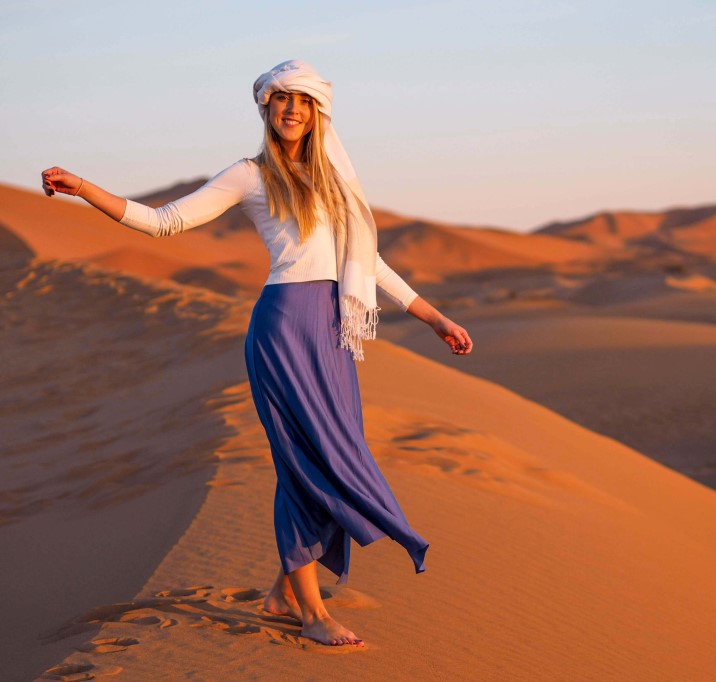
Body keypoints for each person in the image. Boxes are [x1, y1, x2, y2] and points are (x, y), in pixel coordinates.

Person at [41, 60, 473, 648]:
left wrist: (433, 317)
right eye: (281, 100)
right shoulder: (249, 175)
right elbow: (164, 222)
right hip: (284, 329)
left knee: (336, 457)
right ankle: (312, 614)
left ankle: (281, 591)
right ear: (266, 109)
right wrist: (85, 189)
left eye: (303, 101)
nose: (292, 109)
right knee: (301, 463)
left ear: (318, 112)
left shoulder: (334, 181)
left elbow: (366, 264)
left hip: (333, 332)